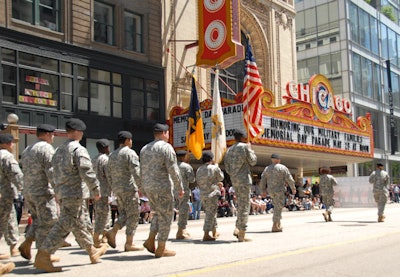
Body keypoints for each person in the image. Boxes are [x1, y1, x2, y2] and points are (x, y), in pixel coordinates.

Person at [35, 118, 107, 273]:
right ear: (77, 132)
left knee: (79, 224)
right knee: (65, 224)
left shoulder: (59, 150)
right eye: (81, 131)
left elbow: (52, 172)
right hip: (74, 193)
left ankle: (91, 251)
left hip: (64, 193)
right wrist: (95, 189)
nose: (81, 134)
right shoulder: (77, 149)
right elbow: (87, 171)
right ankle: (44, 254)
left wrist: (57, 190)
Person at [140, 123, 184, 258]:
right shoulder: (166, 147)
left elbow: (141, 169)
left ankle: (150, 240)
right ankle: (161, 247)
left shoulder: (144, 148)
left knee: (158, 214)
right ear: (165, 133)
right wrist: (179, 187)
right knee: (166, 216)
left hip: (148, 187)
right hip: (162, 186)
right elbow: (173, 169)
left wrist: (141, 187)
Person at [19, 124, 59, 261]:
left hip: (29, 190)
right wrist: (58, 189)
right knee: (49, 221)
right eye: (53, 134)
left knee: (37, 220)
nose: (53, 137)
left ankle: (27, 243)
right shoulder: (46, 148)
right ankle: (42, 254)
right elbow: (52, 171)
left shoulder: (27, 149)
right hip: (42, 191)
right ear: (48, 134)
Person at [105, 131, 143, 252]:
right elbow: (136, 172)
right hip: (129, 188)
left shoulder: (112, 155)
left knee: (125, 214)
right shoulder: (130, 153)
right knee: (134, 214)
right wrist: (142, 187)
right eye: (131, 140)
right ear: (127, 140)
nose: (131, 142)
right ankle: (129, 243)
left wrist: (113, 187)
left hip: (117, 190)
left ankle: (113, 231)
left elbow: (108, 174)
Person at [224, 129, 257, 242]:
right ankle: (242, 233)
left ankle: (238, 228)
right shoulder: (244, 147)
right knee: (244, 205)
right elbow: (253, 161)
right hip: (244, 180)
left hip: (235, 179)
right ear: (242, 137)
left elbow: (227, 168)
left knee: (240, 204)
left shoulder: (229, 150)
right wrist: (251, 150)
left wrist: (234, 174)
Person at [0, 133, 23, 260]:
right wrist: (24, 188)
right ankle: (14, 247)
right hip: (5, 194)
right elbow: (16, 175)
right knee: (10, 219)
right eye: (12, 143)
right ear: (8, 144)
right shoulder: (7, 156)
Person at [259, 153, 296, 232]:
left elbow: (262, 180)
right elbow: (289, 178)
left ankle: (278, 224)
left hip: (271, 191)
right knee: (278, 207)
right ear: (279, 160)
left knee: (276, 206)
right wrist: (293, 188)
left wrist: (263, 190)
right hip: (279, 190)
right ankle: (275, 224)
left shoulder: (267, 168)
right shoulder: (282, 168)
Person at [196, 151, 224, 241]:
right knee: (210, 214)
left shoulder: (199, 169)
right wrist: (217, 167)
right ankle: (206, 233)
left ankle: (214, 231)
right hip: (211, 194)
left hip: (203, 194)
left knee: (211, 213)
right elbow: (221, 177)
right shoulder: (214, 168)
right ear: (211, 159)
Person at [92, 138, 112, 247]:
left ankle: (98, 236)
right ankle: (101, 237)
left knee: (98, 213)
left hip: (95, 190)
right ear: (105, 148)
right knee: (104, 214)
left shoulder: (94, 159)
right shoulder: (105, 159)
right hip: (104, 190)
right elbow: (108, 175)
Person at [175, 150, 195, 240]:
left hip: (172, 191)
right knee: (183, 211)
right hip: (183, 191)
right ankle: (181, 230)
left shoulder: (172, 166)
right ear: (184, 157)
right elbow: (192, 180)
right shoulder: (186, 166)